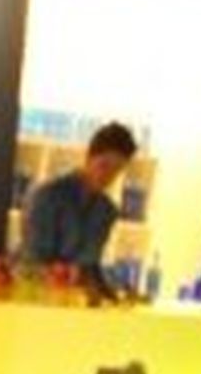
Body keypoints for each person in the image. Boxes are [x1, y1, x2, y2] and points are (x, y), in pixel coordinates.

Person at [23, 121, 138, 292]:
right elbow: (32, 262)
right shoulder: (46, 196)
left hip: (75, 300)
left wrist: (111, 290)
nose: (108, 175)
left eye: (117, 170)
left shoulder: (107, 211)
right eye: (104, 165)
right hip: (35, 295)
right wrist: (61, 273)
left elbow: (90, 266)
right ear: (89, 157)